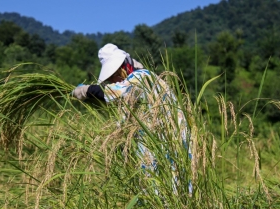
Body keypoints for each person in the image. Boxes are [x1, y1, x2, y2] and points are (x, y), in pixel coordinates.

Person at [72, 43, 192, 194]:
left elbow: (115, 92)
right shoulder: (139, 82)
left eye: (112, 78)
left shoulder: (141, 77)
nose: (111, 82)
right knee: (170, 191)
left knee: (164, 191)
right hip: (166, 142)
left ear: (123, 69)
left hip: (166, 142)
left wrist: (87, 90)